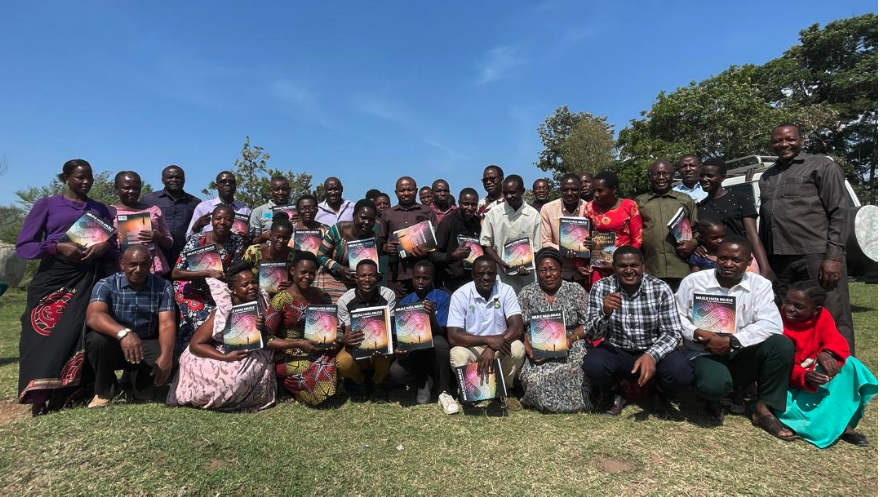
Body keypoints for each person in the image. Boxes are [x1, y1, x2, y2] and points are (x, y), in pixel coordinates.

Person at [15, 159, 118, 415]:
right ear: (66, 178)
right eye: (80, 177)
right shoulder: (47, 205)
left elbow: (113, 244)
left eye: (89, 177)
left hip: (86, 277)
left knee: (76, 333)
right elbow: (25, 245)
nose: (86, 182)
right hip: (53, 277)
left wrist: (104, 247)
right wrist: (57, 247)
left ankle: (70, 391)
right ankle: (38, 395)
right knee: (39, 333)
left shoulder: (99, 209)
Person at [676, 237, 796, 440]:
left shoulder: (760, 285)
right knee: (713, 385)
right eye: (723, 258)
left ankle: (764, 408)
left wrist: (734, 341)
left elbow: (772, 324)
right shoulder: (694, 282)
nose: (728, 264)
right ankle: (717, 397)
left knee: (781, 345)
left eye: (736, 260)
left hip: (741, 352)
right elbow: (676, 315)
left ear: (749, 261)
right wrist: (696, 333)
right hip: (704, 352)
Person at [759, 124, 855, 352]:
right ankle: (802, 364)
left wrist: (833, 257)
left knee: (831, 313)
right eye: (777, 141)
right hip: (779, 259)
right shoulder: (767, 176)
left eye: (789, 139)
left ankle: (841, 367)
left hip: (816, 255)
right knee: (790, 316)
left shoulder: (823, 166)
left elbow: (839, 213)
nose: (783, 144)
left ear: (801, 140)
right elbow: (765, 219)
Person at [582, 246, 693, 416]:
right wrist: (605, 312)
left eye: (634, 265)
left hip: (651, 347)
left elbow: (672, 332)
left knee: (681, 371)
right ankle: (614, 392)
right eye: (622, 266)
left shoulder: (660, 288)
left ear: (643, 266)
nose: (628, 271)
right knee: (593, 364)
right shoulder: (602, 287)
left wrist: (651, 355)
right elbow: (592, 334)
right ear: (614, 267)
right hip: (618, 349)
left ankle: (659, 393)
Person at [777, 281, 877, 448]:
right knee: (785, 405)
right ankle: (811, 425)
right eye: (787, 302)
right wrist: (803, 375)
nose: (789, 308)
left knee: (849, 365)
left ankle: (845, 425)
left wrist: (827, 353)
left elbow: (837, 342)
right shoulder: (776, 318)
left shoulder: (822, 316)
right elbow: (777, 364)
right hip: (789, 380)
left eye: (798, 306)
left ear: (815, 310)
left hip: (813, 372)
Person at [167, 261, 276, 411]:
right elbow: (196, 345)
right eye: (245, 285)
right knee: (230, 381)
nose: (252, 287)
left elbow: (269, 335)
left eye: (254, 282)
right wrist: (225, 357)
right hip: (219, 352)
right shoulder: (223, 311)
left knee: (245, 375)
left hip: (251, 350)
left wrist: (261, 328)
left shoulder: (262, 301)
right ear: (233, 289)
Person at [84, 246, 175, 407]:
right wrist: (124, 334)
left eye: (144, 264)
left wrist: (167, 355)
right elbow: (94, 316)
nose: (138, 269)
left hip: (146, 341)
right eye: (133, 264)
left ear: (151, 264)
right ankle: (105, 390)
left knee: (170, 356)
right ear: (122, 264)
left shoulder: (163, 286)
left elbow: (167, 324)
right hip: (115, 340)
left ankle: (137, 383)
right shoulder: (106, 284)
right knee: (96, 341)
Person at [518, 248, 592, 413]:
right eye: (542, 270)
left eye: (552, 269)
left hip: (570, 345)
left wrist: (571, 338)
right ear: (537, 273)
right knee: (535, 379)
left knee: (577, 371)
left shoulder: (575, 290)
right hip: (538, 349)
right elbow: (519, 327)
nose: (548, 274)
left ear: (561, 270)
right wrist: (530, 351)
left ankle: (578, 403)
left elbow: (588, 323)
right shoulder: (526, 293)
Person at [447, 256, 526, 410]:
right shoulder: (460, 295)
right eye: (480, 273)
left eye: (490, 273)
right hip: (472, 346)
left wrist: (491, 347)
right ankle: (470, 390)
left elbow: (517, 327)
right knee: (457, 354)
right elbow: (453, 336)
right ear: (473, 275)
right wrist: (488, 340)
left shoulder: (506, 290)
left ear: (496, 274)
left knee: (517, 348)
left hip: (499, 345)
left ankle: (504, 390)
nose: (486, 277)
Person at [172, 205, 247, 353]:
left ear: (233, 222)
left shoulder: (236, 241)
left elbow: (234, 271)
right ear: (211, 221)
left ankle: (217, 357)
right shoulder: (197, 240)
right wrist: (207, 273)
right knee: (202, 321)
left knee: (227, 317)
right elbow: (176, 273)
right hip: (190, 288)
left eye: (228, 219)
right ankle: (186, 354)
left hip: (218, 288)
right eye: (218, 218)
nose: (222, 222)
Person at [267, 251, 339, 406]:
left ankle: (304, 386)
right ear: (293, 271)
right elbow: (267, 338)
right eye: (303, 272)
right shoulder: (280, 299)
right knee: (314, 367)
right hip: (288, 353)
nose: (307, 276)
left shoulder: (318, 295)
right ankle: (288, 385)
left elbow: (324, 325)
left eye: (312, 273)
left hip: (314, 347)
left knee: (337, 357)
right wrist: (298, 344)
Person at [390, 261, 457, 413]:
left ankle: (444, 390)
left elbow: (442, 332)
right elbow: (400, 336)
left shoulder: (443, 297)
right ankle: (422, 382)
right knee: (396, 371)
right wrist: (400, 350)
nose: (420, 281)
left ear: (432, 279)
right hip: (414, 349)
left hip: (435, 347)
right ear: (412, 278)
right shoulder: (405, 302)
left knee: (440, 344)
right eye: (417, 277)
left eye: (425, 278)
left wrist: (431, 316)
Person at [697, 158, 772, 279]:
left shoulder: (740, 199)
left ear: (723, 177)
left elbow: (752, 235)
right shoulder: (700, 207)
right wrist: (698, 246)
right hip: (715, 265)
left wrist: (765, 268)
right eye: (701, 175)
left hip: (741, 262)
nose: (704, 179)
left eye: (710, 176)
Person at [336, 259, 397, 402]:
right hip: (358, 345)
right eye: (363, 275)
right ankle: (360, 382)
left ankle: (378, 383)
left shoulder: (388, 295)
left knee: (387, 351)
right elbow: (348, 333)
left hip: (380, 341)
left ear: (378, 278)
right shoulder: (344, 301)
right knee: (342, 362)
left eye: (372, 275)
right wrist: (345, 339)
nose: (367, 279)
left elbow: (389, 327)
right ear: (356, 278)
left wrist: (381, 344)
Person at [635, 160, 697, 291]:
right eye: (656, 174)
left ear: (673, 176)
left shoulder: (685, 200)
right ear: (649, 177)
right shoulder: (640, 202)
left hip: (681, 267)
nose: (661, 177)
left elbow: (698, 229)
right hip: (651, 269)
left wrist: (693, 243)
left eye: (666, 174)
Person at [481, 175, 542, 294]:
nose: (509, 196)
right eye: (505, 193)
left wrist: (528, 266)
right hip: (501, 275)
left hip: (527, 277)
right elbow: (486, 244)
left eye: (513, 192)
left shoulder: (533, 215)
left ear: (522, 191)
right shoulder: (494, 213)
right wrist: (500, 263)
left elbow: (537, 248)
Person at [377, 176, 436, 299]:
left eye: (410, 190)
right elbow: (380, 240)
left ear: (416, 190)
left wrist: (426, 249)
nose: (406, 193)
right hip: (397, 274)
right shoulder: (388, 214)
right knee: (399, 308)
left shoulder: (427, 212)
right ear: (396, 192)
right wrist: (385, 247)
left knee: (423, 307)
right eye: (402, 190)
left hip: (422, 273)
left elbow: (437, 240)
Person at [110, 171, 174, 276]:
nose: (131, 191)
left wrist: (159, 237)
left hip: (150, 265)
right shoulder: (110, 211)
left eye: (136, 188)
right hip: (122, 265)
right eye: (126, 188)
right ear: (117, 189)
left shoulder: (153, 210)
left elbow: (169, 242)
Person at [585, 171, 643, 286]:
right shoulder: (590, 207)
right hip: (600, 265)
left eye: (600, 191)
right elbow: (586, 235)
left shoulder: (629, 206)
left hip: (625, 266)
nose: (596, 194)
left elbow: (637, 239)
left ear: (614, 190)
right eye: (594, 190)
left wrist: (621, 263)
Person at [317, 199, 380, 302]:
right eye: (363, 218)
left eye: (371, 219)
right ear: (354, 216)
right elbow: (320, 256)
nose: (367, 222)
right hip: (331, 280)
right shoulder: (338, 230)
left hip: (359, 286)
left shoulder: (373, 238)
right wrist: (339, 268)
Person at [143, 165, 201, 267]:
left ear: (184, 180)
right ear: (163, 180)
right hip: (157, 253)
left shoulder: (195, 202)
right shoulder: (148, 200)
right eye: (170, 177)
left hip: (185, 252)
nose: (174, 180)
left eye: (178, 177)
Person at [539, 173, 589, 285]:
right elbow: (545, 242)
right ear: (560, 190)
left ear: (580, 189)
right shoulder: (548, 209)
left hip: (585, 271)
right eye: (565, 190)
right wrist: (564, 250)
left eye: (574, 189)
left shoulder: (589, 208)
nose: (569, 193)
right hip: (559, 272)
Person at [429, 188, 481, 292]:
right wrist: (453, 255)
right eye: (466, 204)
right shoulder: (448, 223)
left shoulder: (477, 223)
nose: (470, 208)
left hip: (472, 279)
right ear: (459, 203)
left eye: (473, 205)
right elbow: (433, 254)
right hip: (451, 282)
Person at [243, 215, 296, 295]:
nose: (281, 241)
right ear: (270, 236)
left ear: (290, 238)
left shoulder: (293, 255)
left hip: (281, 294)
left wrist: (292, 285)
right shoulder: (254, 251)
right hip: (254, 293)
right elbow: (241, 272)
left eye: (285, 238)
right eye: (277, 237)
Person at [186, 171, 251, 237]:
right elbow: (188, 237)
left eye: (231, 182)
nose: (227, 184)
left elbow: (252, 236)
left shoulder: (245, 210)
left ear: (235, 185)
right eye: (223, 181)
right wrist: (196, 227)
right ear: (216, 186)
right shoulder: (203, 207)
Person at [688, 220, 760, 274]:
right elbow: (695, 278)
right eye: (714, 238)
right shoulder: (698, 257)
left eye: (722, 237)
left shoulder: (731, 253)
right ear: (702, 238)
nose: (720, 240)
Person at [249, 176, 294, 244]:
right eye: (276, 189)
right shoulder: (258, 211)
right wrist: (264, 236)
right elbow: (253, 242)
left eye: (284, 189)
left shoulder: (298, 211)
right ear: (270, 191)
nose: (280, 192)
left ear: (289, 190)